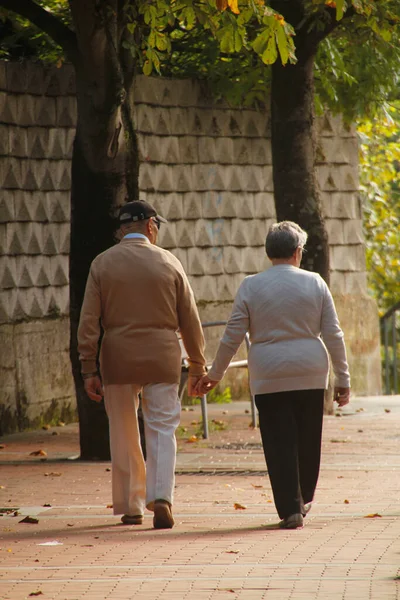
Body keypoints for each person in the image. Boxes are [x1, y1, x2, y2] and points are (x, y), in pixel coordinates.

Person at [195, 221, 350, 529]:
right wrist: (343, 379)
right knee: (308, 439)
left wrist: (215, 373)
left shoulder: (251, 285)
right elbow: (334, 334)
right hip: (310, 372)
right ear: (297, 251)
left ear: (269, 252)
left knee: (278, 442)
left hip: (268, 374)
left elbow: (232, 336)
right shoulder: (316, 282)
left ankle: (290, 508)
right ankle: (304, 498)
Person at [78, 200, 206, 529]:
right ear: (150, 226)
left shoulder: (102, 264)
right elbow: (190, 321)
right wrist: (197, 364)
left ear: (123, 230)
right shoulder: (169, 262)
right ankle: (161, 496)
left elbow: (89, 321)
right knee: (162, 427)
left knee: (123, 430)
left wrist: (88, 367)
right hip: (162, 356)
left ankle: (131, 504)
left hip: (117, 358)